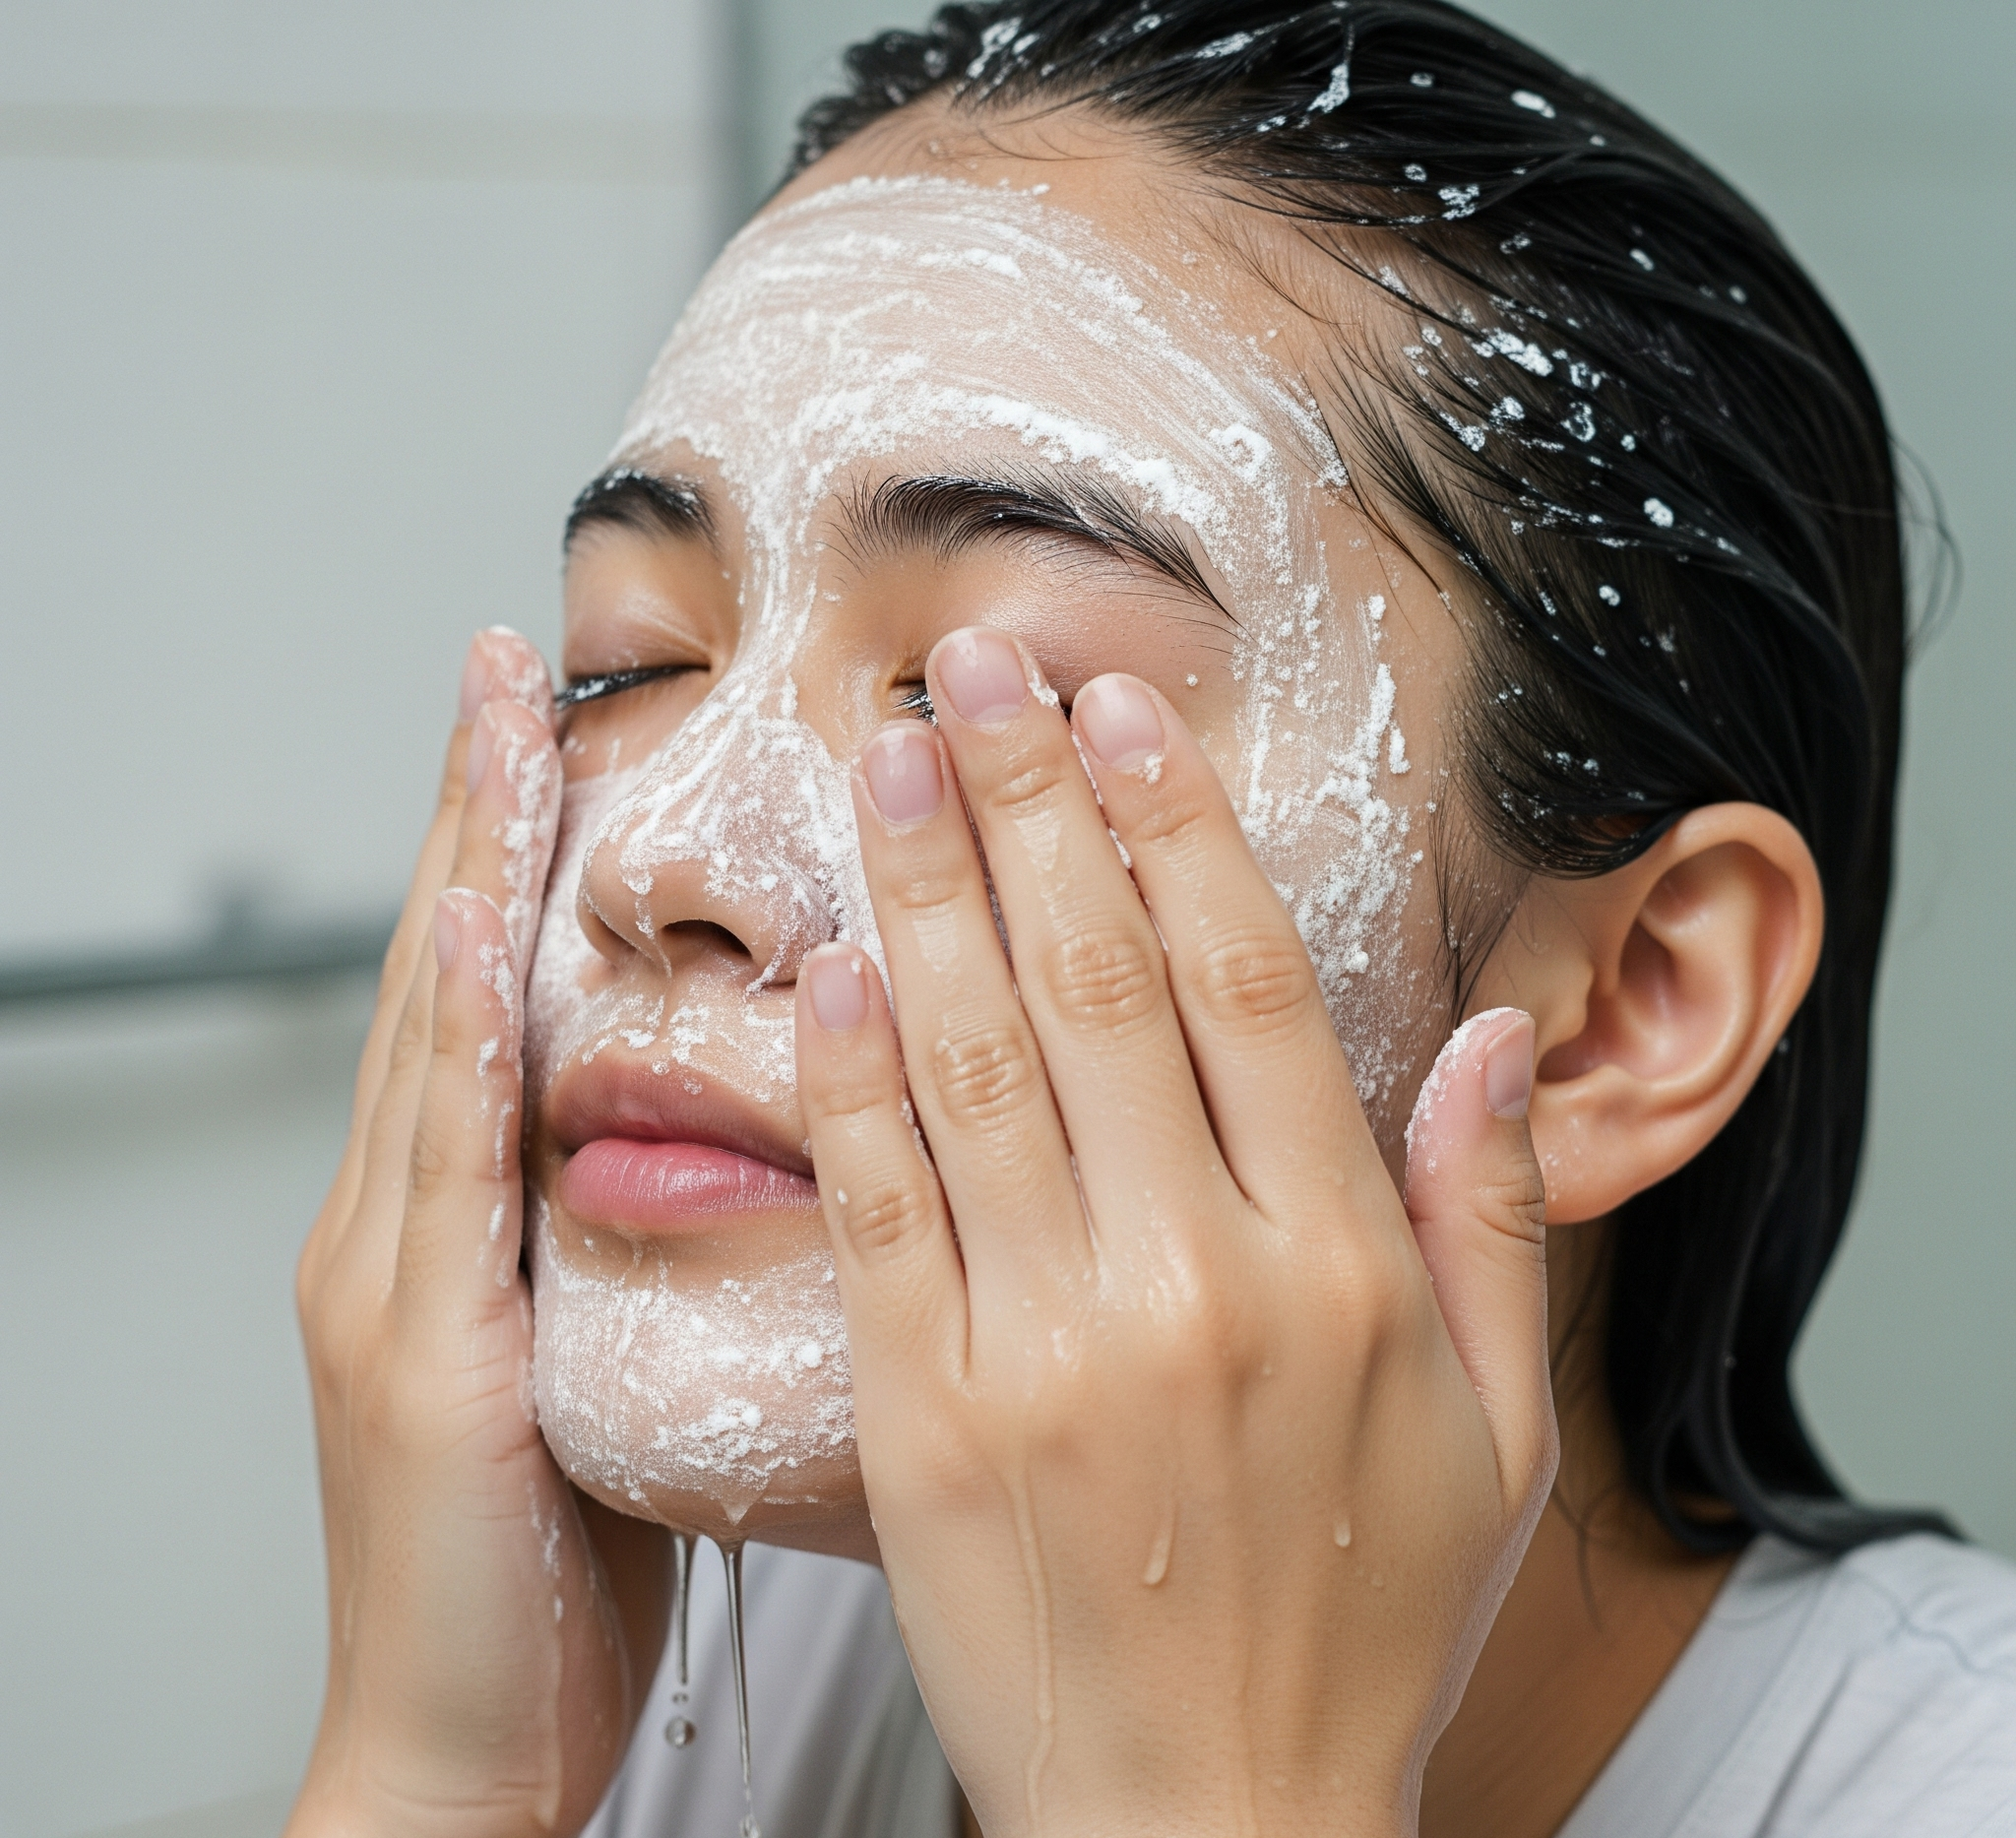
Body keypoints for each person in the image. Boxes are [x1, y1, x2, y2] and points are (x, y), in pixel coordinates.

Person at [285, 4, 2016, 1835]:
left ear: (1629, 1008)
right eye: (629, 664)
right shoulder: (706, 1665)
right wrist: (433, 1777)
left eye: (982, 687)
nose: (656, 867)